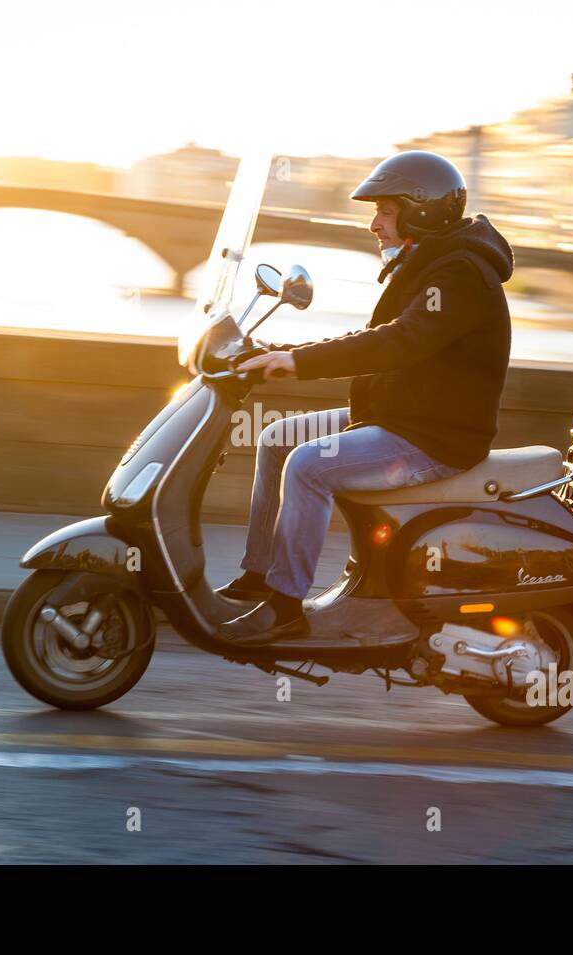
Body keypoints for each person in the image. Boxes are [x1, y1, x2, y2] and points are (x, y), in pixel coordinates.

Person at [216, 150, 515, 645]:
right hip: (397, 416)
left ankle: (286, 605)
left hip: (433, 438)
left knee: (308, 465)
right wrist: (282, 351)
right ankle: (257, 577)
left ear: (420, 211)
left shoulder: (460, 275)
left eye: (384, 212)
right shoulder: (430, 261)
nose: (374, 224)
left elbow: (399, 341)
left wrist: (300, 363)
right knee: (276, 438)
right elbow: (382, 336)